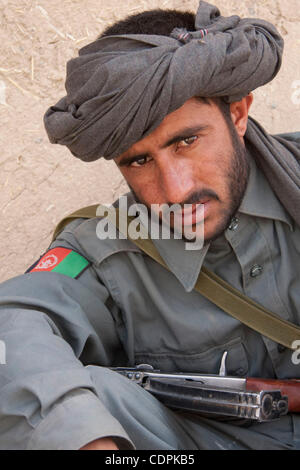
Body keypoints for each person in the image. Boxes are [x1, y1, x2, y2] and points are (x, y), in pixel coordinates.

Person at [0, 1, 299, 450]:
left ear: (237, 114)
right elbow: (17, 324)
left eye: (186, 141)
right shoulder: (105, 246)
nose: (175, 191)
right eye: (139, 161)